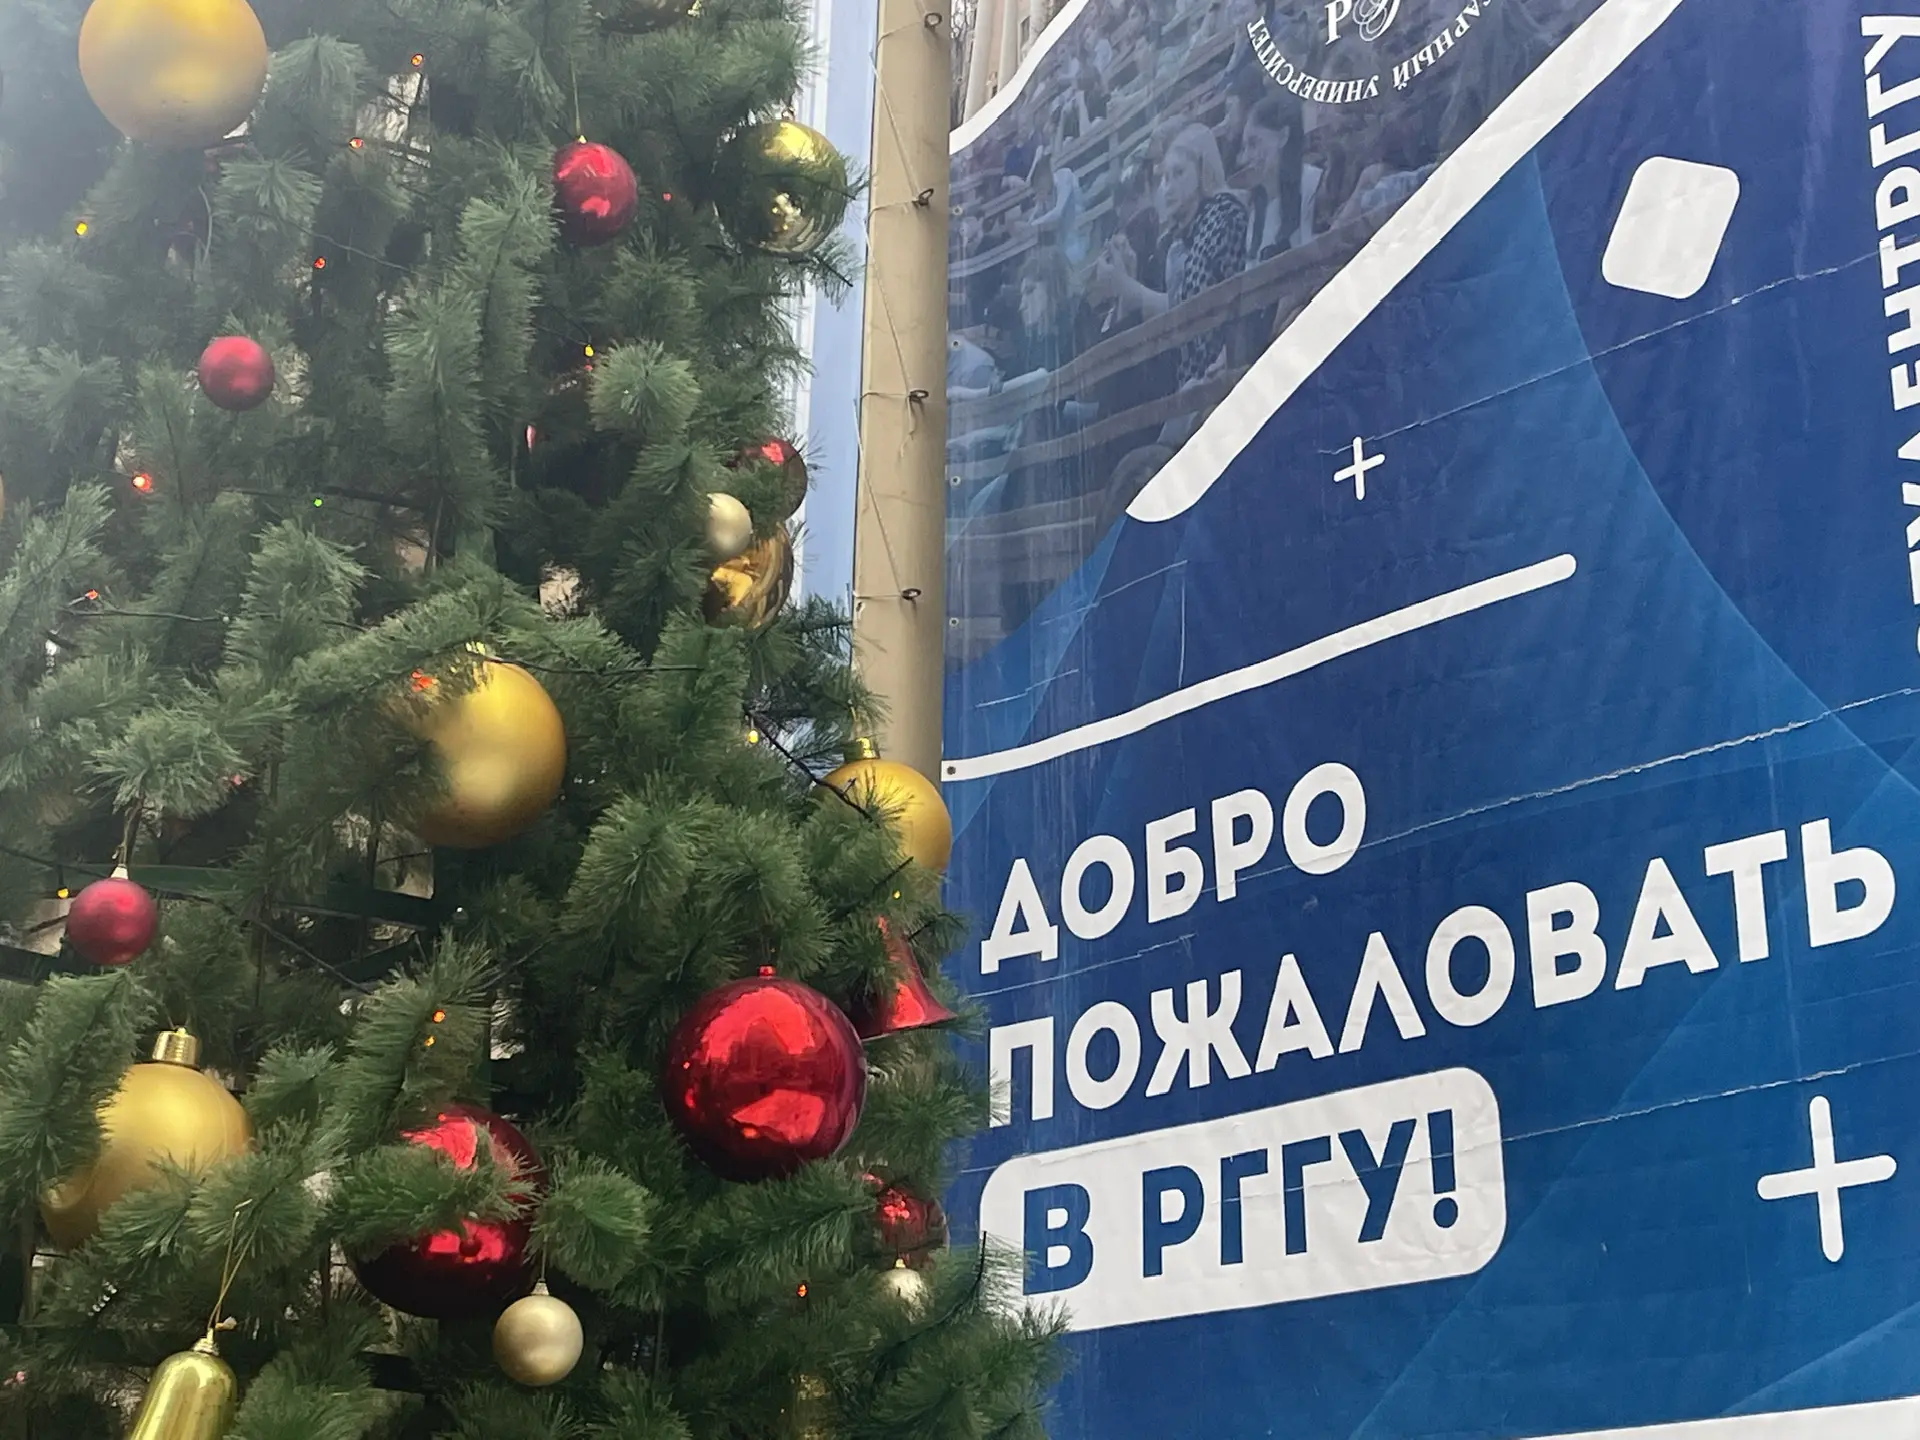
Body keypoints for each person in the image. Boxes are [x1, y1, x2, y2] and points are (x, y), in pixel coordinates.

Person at [1090, 122, 1248, 387]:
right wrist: (1129, 276)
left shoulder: (1222, 215)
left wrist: (1125, 286)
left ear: (1202, 171)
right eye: (1165, 178)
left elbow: (1190, 312)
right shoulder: (1180, 238)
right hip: (1189, 377)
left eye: (1179, 173)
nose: (1169, 187)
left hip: (1217, 378)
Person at [1236, 94, 1313, 260]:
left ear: (1283, 136)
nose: (1246, 158)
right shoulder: (1257, 212)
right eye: (1244, 148)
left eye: (1254, 143)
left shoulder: (1312, 184)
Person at [1010, 150, 1090, 266]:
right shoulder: (1048, 192)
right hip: (1063, 237)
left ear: (1045, 177)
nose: (1040, 190)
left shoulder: (1064, 176)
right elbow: (1039, 215)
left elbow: (1058, 212)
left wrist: (1031, 225)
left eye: (1040, 186)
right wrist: (1031, 220)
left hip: (1078, 228)